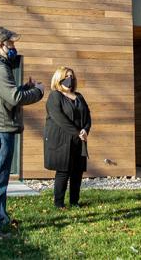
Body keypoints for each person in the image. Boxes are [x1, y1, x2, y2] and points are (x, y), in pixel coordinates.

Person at [0, 28, 44, 237]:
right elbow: (15, 98)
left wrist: (25, 86)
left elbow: (6, 95)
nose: (14, 48)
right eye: (11, 44)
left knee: (1, 178)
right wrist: (38, 91)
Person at [43, 66, 91, 208]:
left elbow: (88, 116)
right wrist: (77, 132)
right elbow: (59, 118)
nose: (70, 79)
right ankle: (59, 204)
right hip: (62, 140)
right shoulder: (55, 96)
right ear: (59, 79)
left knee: (77, 172)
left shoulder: (79, 96)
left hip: (79, 139)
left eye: (72, 76)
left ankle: (74, 202)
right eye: (66, 76)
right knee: (63, 171)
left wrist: (85, 130)